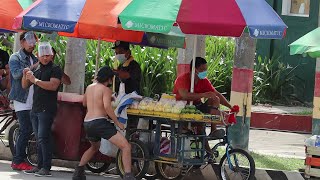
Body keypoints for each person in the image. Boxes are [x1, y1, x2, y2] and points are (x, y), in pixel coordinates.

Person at [72, 66, 134, 180]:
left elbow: (85, 103)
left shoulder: (89, 87)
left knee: (94, 147)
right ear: (109, 79)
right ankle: (128, 176)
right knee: (126, 146)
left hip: (88, 123)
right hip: (99, 122)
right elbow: (107, 107)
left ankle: (78, 172)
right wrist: (117, 122)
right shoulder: (106, 90)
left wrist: (103, 99)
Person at [22, 42, 62, 177]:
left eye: (48, 55)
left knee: (43, 138)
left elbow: (53, 86)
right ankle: (39, 166)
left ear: (51, 55)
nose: (45, 58)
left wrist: (35, 80)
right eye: (43, 55)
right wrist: (25, 75)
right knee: (39, 138)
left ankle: (46, 167)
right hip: (35, 108)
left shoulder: (55, 68)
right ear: (38, 55)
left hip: (47, 108)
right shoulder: (36, 67)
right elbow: (25, 86)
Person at [173, 57, 232, 138]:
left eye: (205, 69)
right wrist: (203, 95)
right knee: (200, 130)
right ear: (194, 69)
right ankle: (208, 150)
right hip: (182, 108)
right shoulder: (182, 79)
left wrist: (230, 107)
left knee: (215, 99)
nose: (204, 72)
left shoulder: (204, 81)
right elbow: (185, 95)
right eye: (202, 69)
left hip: (198, 107)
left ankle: (213, 129)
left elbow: (216, 94)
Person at [9, 31, 38, 171]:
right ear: (22, 42)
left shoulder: (34, 57)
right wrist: (32, 67)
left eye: (33, 41)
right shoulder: (15, 57)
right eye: (29, 41)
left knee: (29, 130)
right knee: (26, 129)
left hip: (34, 99)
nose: (32, 44)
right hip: (21, 99)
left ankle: (21, 159)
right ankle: (17, 161)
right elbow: (15, 74)